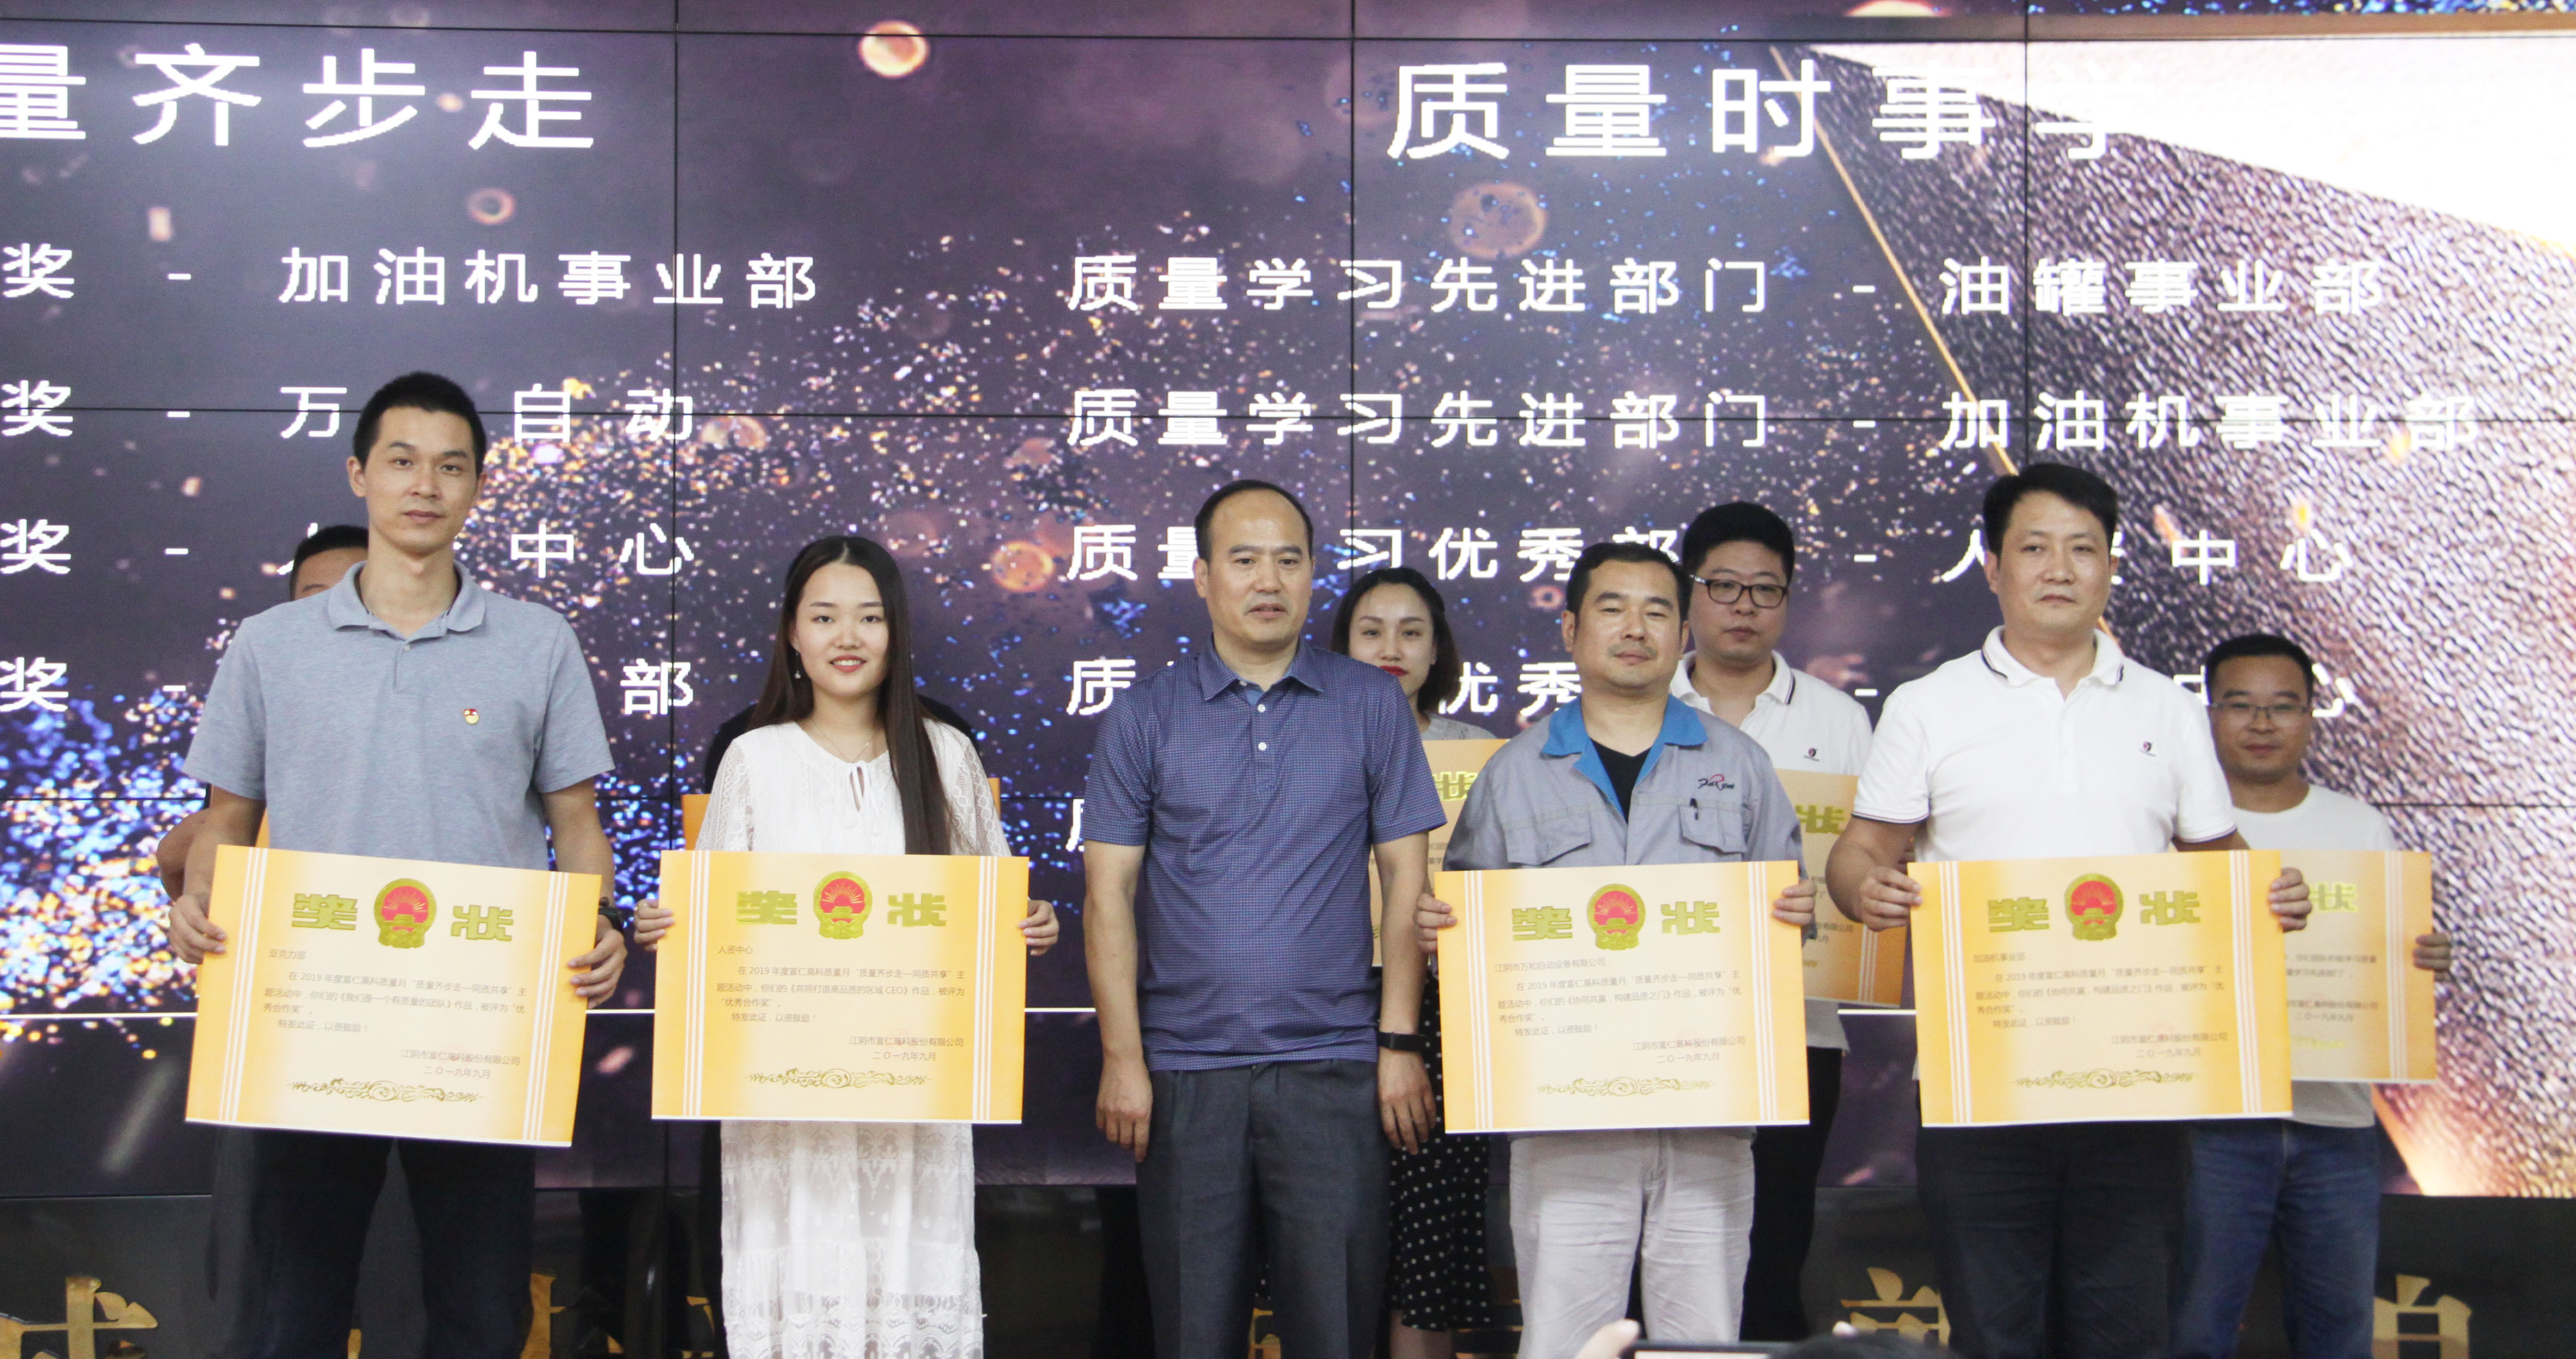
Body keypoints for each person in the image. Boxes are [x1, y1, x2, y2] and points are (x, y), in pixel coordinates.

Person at [166, 372, 629, 1359]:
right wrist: (199, 901)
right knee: (296, 1308)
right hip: (312, 1015)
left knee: (480, 1309)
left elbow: (577, 821)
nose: (425, 485)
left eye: (450, 466)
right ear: (359, 475)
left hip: (480, 1019)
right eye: (402, 461)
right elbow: (226, 818)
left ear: (478, 486)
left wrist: (598, 920)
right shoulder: (271, 644)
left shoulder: (535, 641)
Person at [1823, 463, 2313, 1359]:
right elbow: (1860, 850)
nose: (2059, 568)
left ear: (2112, 567)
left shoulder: (2167, 707)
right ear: (1993, 568)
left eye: (2083, 549)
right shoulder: (1928, 706)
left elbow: (2220, 864)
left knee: (2125, 1331)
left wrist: (2270, 893)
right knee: (1995, 1331)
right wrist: (1865, 888)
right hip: (1982, 1077)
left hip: (2137, 1078)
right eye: (2035, 548)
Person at [634, 535, 1057, 1359]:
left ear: (896, 631)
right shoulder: (753, 759)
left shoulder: (946, 754)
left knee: (905, 1292)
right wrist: (669, 927)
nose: (847, 637)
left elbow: (992, 901)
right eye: (824, 617)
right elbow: (714, 922)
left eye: (869, 617)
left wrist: (1029, 921)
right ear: (792, 634)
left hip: (914, 1087)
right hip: (786, 1103)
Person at [1422, 540, 1819, 1359]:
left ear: (1683, 635)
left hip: (1708, 1111)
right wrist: (1445, 936)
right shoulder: (1515, 772)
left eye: (1657, 611)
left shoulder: (1741, 766)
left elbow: (1788, 929)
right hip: (1565, 1116)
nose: (1635, 628)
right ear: (1571, 629)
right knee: (1567, 1340)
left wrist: (1795, 913)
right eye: (1613, 608)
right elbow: (1471, 947)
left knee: (1703, 1340)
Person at [1083, 480, 1447, 1359]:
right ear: (1203, 577)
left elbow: (1406, 876)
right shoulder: (1145, 713)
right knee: (1193, 1332)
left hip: (1335, 1068)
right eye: (1244, 559)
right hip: (1185, 1074)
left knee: (1336, 1331)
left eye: (1289, 559)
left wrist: (1398, 1044)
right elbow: (1108, 897)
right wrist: (1124, 1059)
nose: (1268, 580)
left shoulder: (1369, 703)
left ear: (1314, 573)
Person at [2171, 632, 2453, 1359]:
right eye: (2241, 705)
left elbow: (2389, 953)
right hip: (2212, 1123)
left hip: (2336, 1122)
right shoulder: (2173, 830)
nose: (2262, 724)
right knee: (2195, 1327)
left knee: (2339, 1331)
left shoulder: (2359, 825)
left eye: (2283, 706)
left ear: (2310, 716)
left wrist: (2421, 959)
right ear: (2208, 714)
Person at [1668, 502, 1873, 1341]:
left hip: (1798, 1029)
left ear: (1789, 599)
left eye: (1766, 589)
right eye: (1724, 586)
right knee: (1669, 1247)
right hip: (1662, 1025)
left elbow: (1869, 859)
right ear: (1690, 593)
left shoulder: (1839, 721)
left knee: (1775, 1244)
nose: (1744, 606)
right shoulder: (1639, 706)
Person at [1330, 566, 1496, 1358]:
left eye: (1411, 631)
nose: (1391, 647)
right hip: (1323, 1002)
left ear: (1438, 651)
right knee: (1326, 1222)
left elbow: (1510, 888)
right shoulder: (1302, 739)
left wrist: (1465, 915)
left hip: (1442, 1009)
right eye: (1371, 631)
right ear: (1341, 647)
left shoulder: (1482, 756)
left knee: (1428, 1230)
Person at [156, 524, 370, 898]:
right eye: (315, 600)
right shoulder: (262, 694)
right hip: (289, 917)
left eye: (356, 598)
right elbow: (184, 851)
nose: (335, 615)